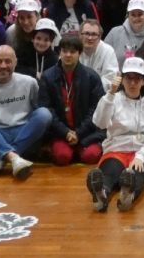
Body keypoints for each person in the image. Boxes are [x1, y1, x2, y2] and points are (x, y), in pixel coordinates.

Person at [86, 57, 144, 212]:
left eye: (137, 79)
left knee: (135, 174)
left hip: (143, 152)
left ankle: (128, 196)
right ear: (122, 80)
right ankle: (101, 194)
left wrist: (141, 156)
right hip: (116, 150)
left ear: (143, 81)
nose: (132, 83)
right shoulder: (112, 99)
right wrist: (110, 94)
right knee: (110, 172)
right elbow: (100, 123)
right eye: (129, 78)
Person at [0, 45, 52, 179]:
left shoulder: (29, 82)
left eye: (8, 61)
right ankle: (14, 158)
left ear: (15, 62)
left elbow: (37, 109)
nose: (3, 65)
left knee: (44, 114)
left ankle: (2, 158)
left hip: (23, 132)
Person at [40, 36, 106, 167]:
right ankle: (66, 148)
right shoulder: (47, 77)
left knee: (91, 156)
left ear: (79, 53)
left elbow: (96, 110)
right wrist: (65, 132)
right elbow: (47, 109)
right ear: (59, 52)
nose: (68, 55)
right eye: (64, 51)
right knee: (62, 157)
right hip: (60, 133)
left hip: (86, 132)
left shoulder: (92, 77)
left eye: (72, 51)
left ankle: (78, 148)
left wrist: (78, 133)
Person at [80, 18, 119, 86]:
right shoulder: (73, 49)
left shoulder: (108, 51)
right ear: (80, 35)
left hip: (99, 91)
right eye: (87, 33)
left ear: (100, 37)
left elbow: (110, 79)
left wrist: (90, 87)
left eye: (94, 34)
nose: (90, 38)